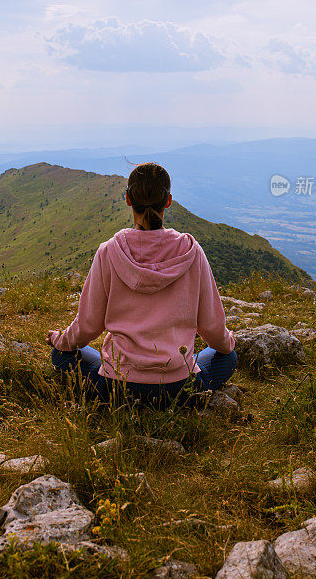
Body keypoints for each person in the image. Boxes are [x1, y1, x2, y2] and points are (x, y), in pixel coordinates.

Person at [46, 162, 237, 408]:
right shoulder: (191, 252)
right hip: (179, 386)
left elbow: (88, 325)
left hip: (118, 385)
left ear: (128, 199)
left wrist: (61, 341)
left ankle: (120, 400)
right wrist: (228, 342)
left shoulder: (109, 252)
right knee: (227, 357)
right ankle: (182, 398)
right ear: (168, 201)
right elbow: (211, 327)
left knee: (61, 356)